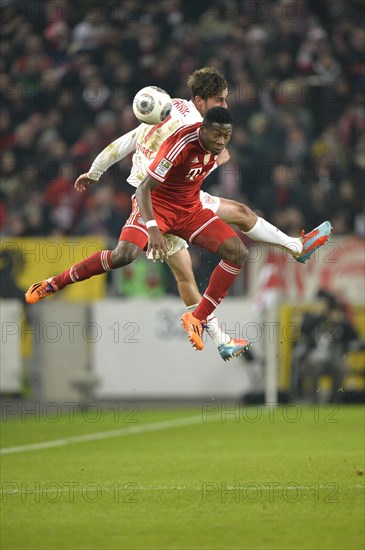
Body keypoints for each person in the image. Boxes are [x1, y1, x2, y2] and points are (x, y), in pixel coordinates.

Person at [25, 68, 331, 356]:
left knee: (237, 219)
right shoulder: (184, 131)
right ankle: (55, 282)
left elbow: (128, 140)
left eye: (225, 99)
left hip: (187, 200)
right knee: (134, 258)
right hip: (154, 200)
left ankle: (292, 250)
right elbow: (146, 174)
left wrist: (95, 170)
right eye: (219, 100)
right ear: (200, 101)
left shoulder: (187, 115)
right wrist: (153, 224)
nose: (225, 104)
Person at [291, 291, 362, 403]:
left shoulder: (339, 319)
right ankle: (313, 399)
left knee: (342, 366)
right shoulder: (310, 318)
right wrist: (319, 315)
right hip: (314, 357)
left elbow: (355, 339)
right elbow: (303, 333)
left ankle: (334, 401)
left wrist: (340, 321)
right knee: (318, 360)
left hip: (336, 357)